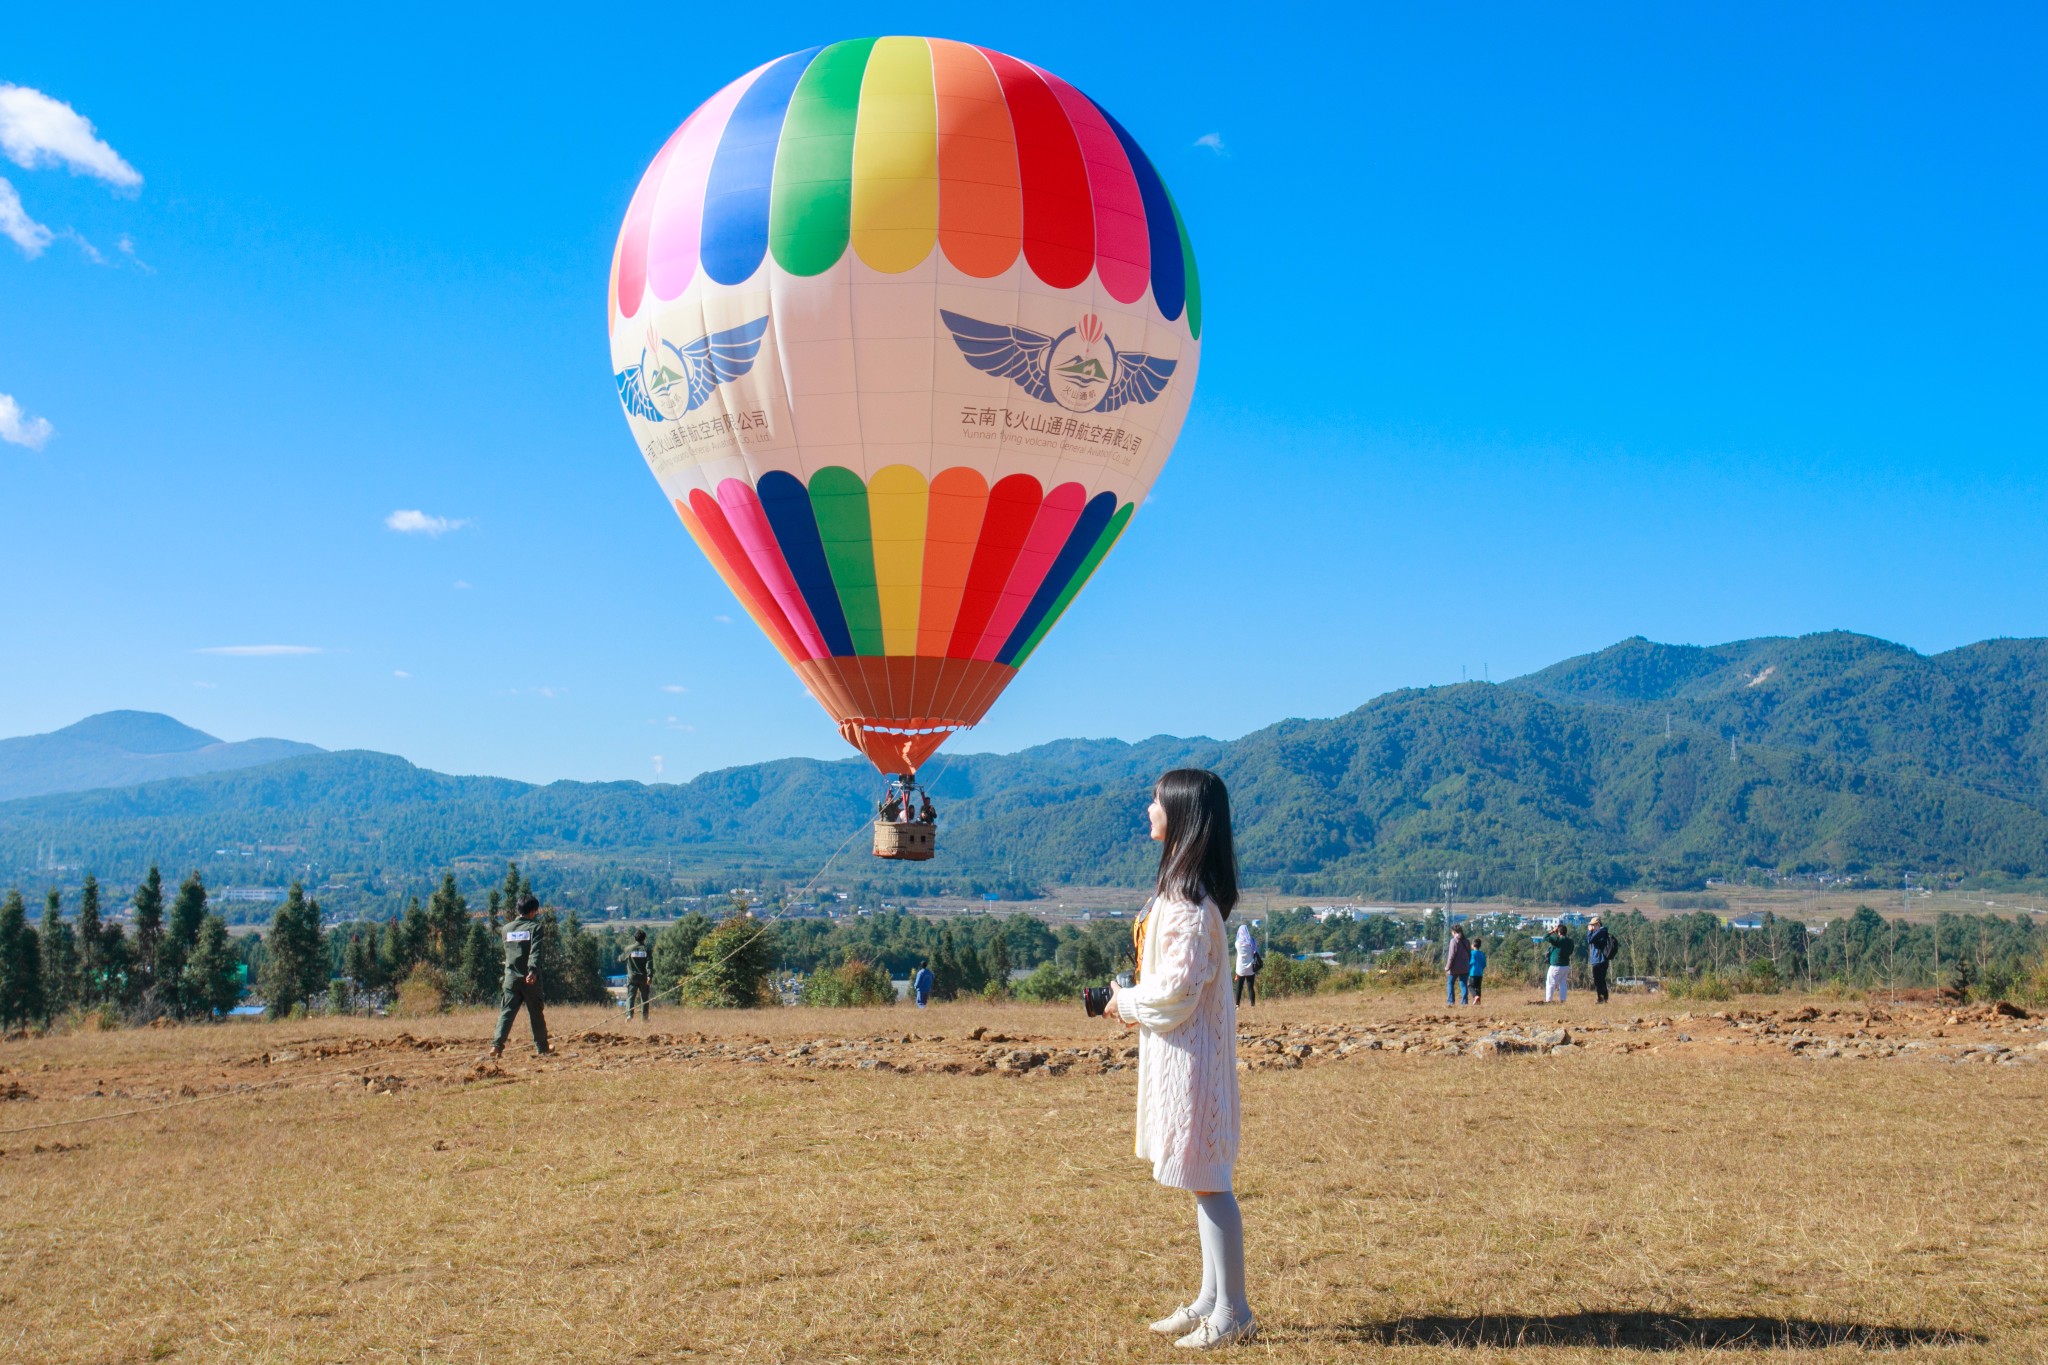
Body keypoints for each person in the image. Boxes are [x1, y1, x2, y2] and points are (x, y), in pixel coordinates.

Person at [1103, 769, 1254, 1350]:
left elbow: (1177, 991)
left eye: (1156, 801)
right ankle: (1210, 1301)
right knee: (1201, 1181)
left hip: (1195, 1068)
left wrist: (1125, 1002)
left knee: (1210, 1183)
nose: (1148, 809)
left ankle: (1234, 1311)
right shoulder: (1184, 896)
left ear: (1183, 815)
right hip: (1184, 1061)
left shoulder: (1190, 907)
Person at [490, 893, 549, 1057]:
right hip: (530, 980)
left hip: (510, 978)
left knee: (506, 1012)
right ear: (533, 911)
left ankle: (496, 1046)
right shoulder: (535, 928)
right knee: (536, 1013)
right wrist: (532, 971)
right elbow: (535, 952)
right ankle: (542, 1048)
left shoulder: (506, 929)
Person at [1542, 921, 1574, 1004]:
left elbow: (1545, 937)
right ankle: (1563, 1000)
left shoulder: (1558, 940)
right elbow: (1571, 951)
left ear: (1559, 932)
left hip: (1556, 965)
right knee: (1563, 983)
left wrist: (1553, 931)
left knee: (1550, 983)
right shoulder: (1570, 941)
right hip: (1565, 965)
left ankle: (1549, 1000)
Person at [625, 927, 653, 1020]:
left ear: (635, 938)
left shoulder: (629, 949)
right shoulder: (647, 950)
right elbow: (649, 963)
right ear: (644, 938)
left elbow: (621, 958)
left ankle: (629, 1015)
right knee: (644, 998)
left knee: (631, 996)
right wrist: (649, 975)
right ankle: (644, 1018)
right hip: (643, 978)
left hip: (632, 977)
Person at [1586, 916, 1615, 1004]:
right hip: (1601, 960)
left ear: (1598, 924)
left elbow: (1589, 940)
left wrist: (1589, 931)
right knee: (1601, 980)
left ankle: (1601, 999)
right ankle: (1604, 998)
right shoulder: (1602, 932)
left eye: (1593, 925)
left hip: (1599, 960)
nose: (1592, 927)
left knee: (1598, 981)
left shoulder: (1600, 931)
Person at [1233, 922, 1259, 1007]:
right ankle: (1252, 1005)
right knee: (1250, 987)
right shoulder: (1252, 941)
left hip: (1240, 968)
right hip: (1250, 967)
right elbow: (1255, 951)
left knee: (1239, 988)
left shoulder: (1237, 943)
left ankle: (1237, 1005)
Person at [1445, 925, 1471, 1005]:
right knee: (1463, 985)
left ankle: (1450, 1001)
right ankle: (1464, 1002)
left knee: (1450, 983)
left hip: (1454, 968)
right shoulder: (1466, 941)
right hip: (1465, 967)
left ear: (1454, 932)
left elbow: (1451, 956)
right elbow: (1469, 954)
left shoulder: (1453, 941)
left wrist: (1447, 967)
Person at [1467, 936, 1487, 1005]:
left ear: (1473, 945)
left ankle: (1475, 996)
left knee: (1470, 986)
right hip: (1480, 973)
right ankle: (1478, 1001)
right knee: (1478, 987)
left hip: (1473, 972)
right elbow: (1484, 964)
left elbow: (1469, 962)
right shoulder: (1482, 954)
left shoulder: (1471, 953)